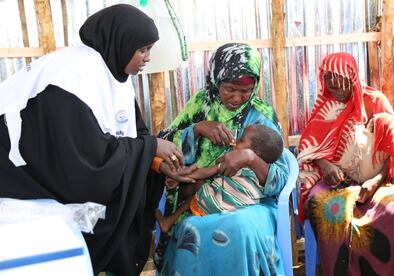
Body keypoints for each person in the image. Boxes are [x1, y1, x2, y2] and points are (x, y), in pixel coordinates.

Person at [0, 4, 195, 276]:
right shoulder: (72, 78)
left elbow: (132, 133)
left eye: (150, 49)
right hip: (23, 175)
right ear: (121, 43)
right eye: (143, 50)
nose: (148, 58)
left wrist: (156, 161)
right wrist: (150, 147)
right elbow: (87, 162)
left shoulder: (114, 72)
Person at [155, 42, 290, 275]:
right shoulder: (201, 104)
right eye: (229, 89)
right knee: (191, 229)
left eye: (246, 91)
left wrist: (249, 157)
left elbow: (279, 179)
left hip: (251, 203)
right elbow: (163, 143)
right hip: (199, 197)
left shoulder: (262, 116)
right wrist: (197, 129)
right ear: (216, 81)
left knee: (240, 227)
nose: (237, 98)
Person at [297, 52, 394, 275]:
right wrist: (326, 165)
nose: (336, 84)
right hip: (334, 181)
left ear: (353, 75)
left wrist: (375, 181)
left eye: (342, 77)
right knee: (326, 211)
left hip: (379, 179)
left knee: (392, 212)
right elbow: (309, 145)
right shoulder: (325, 107)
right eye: (330, 78)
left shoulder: (375, 101)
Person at [156, 124, 284, 232]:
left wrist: (183, 177)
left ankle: (169, 220)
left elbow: (207, 172)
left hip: (213, 206)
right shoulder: (264, 174)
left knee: (201, 188)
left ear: (256, 153)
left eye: (241, 140)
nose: (236, 141)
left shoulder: (234, 164)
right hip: (237, 212)